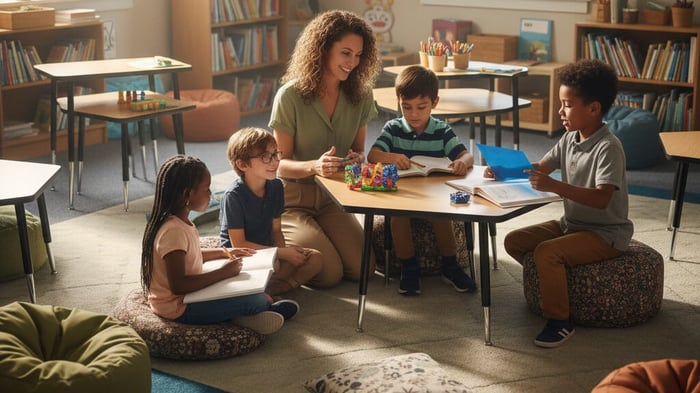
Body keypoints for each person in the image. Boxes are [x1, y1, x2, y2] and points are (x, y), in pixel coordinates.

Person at [498, 59, 634, 348]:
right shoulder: (570, 138)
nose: (560, 111)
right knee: (514, 240)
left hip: (605, 234)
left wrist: (556, 187)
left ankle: (560, 321)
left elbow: (602, 198)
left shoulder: (608, 147)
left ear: (593, 108)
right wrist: (503, 170)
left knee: (547, 252)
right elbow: (541, 166)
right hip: (571, 226)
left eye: (567, 104)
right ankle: (556, 283)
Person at [268, 10, 382, 288]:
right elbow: (277, 163)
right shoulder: (290, 96)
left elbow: (358, 152)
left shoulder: (361, 95)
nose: (352, 62)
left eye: (358, 55)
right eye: (345, 53)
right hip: (293, 200)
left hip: (334, 197)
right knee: (328, 274)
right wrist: (313, 166)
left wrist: (357, 158)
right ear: (323, 48)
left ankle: (318, 238)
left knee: (363, 269)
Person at [140, 154, 299, 335]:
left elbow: (191, 254)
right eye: (206, 189)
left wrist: (225, 252)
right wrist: (224, 273)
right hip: (179, 307)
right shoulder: (173, 231)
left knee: (256, 292)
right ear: (187, 194)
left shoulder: (180, 222)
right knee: (257, 300)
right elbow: (179, 285)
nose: (210, 194)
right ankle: (246, 316)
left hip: (190, 295)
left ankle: (247, 313)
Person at [367, 65, 477, 296]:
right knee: (398, 217)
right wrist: (392, 156)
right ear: (399, 102)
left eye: (421, 107)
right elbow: (373, 155)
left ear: (434, 103)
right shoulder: (393, 128)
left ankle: (450, 265)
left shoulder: (442, 130)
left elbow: (466, 155)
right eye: (406, 107)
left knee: (441, 215)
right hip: (402, 196)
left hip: (432, 197)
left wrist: (461, 163)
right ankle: (409, 268)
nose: (413, 114)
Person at [219, 127, 324, 296]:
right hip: (241, 260)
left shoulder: (276, 186)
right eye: (265, 157)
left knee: (315, 259)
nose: (275, 162)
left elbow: (276, 230)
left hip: (268, 253)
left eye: (276, 154)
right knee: (238, 277)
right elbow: (239, 245)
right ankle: (260, 291)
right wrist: (280, 253)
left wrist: (282, 257)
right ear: (242, 164)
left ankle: (276, 288)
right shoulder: (234, 196)